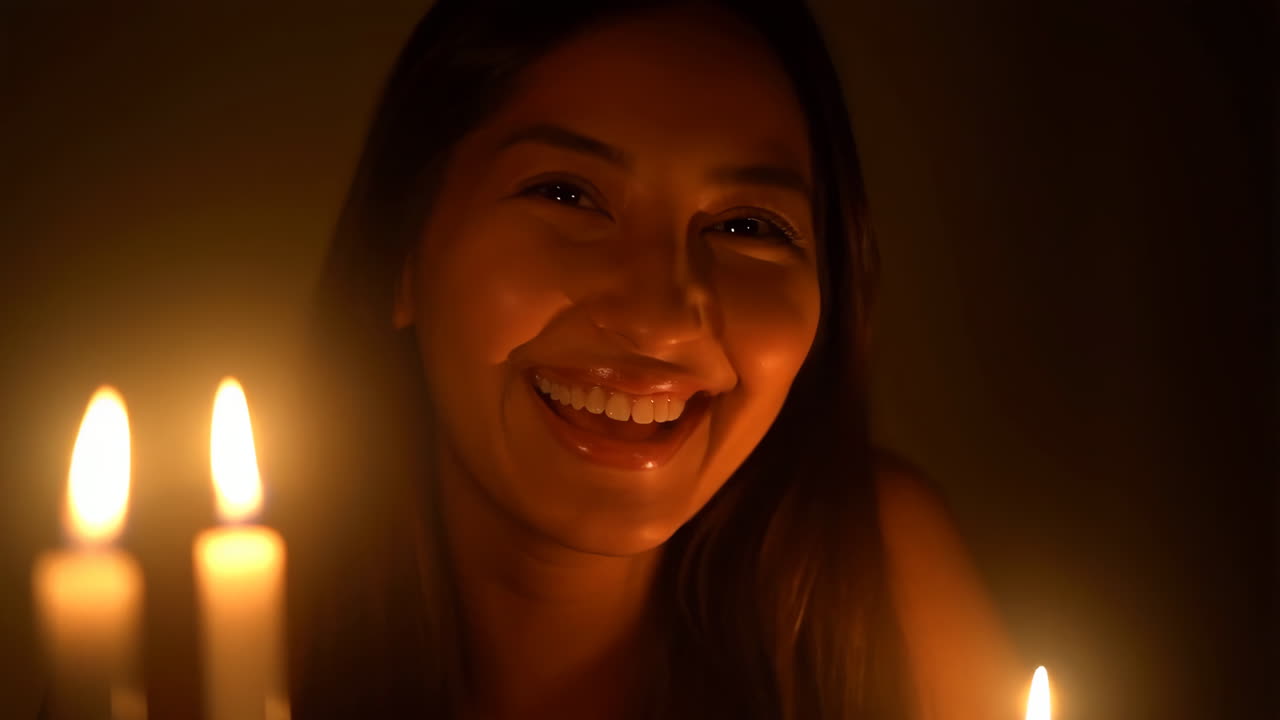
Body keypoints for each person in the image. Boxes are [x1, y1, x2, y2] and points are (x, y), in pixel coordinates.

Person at [287, 0, 1024, 718]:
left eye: (747, 224)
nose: (661, 318)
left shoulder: (872, 578)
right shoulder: (226, 609)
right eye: (568, 194)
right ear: (402, 257)